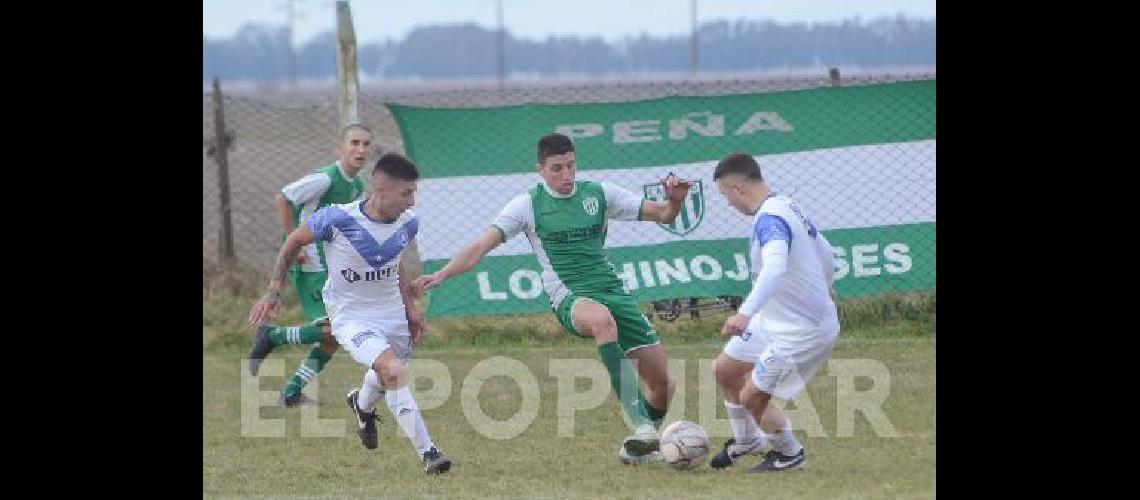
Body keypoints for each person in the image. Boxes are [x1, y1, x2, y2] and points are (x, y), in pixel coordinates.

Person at [414, 132, 692, 465]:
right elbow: (478, 247)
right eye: (556, 168)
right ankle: (643, 428)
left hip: (612, 291)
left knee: (663, 385)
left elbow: (663, 214)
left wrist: (675, 200)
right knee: (602, 321)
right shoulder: (527, 205)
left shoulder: (599, 194)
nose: (565, 175)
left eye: (571, 166)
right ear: (541, 170)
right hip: (569, 296)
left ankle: (638, 451)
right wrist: (442, 274)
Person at [249, 153, 452, 475]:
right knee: (394, 371)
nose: (412, 202)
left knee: (387, 374)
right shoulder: (336, 219)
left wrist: (411, 310)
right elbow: (292, 242)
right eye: (406, 193)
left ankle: (362, 403)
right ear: (380, 191)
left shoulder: (408, 222)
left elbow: (393, 261)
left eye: (414, 193)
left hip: (392, 314)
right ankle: (430, 453)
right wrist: (273, 290)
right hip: (351, 316)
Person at [707, 152, 840, 473]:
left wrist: (744, 312)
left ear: (738, 189)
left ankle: (789, 453)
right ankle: (747, 440)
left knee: (753, 396)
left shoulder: (770, 219)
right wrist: (827, 285)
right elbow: (826, 251)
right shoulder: (787, 205)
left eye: (725, 196)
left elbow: (776, 266)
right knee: (724, 369)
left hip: (801, 329)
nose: (728, 203)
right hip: (774, 318)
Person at [247, 124, 370, 407]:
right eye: (354, 143)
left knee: (333, 337)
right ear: (340, 148)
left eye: (366, 144)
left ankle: (291, 393)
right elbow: (284, 198)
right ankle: (273, 336)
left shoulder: (356, 186)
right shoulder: (326, 179)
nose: (361, 149)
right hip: (310, 262)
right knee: (336, 329)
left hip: (329, 263)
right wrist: (296, 241)